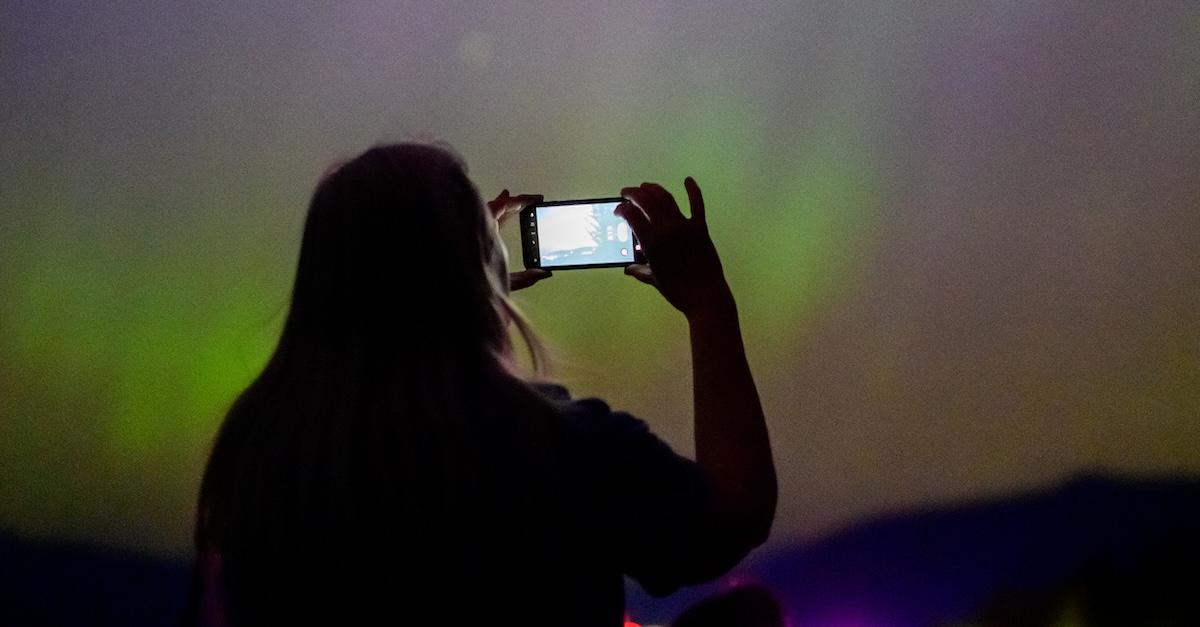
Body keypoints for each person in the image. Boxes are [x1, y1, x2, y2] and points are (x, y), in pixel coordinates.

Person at [186, 143, 776, 626]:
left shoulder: (255, 451)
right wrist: (708, 303)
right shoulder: (553, 444)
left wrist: (454, 293)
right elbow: (732, 516)